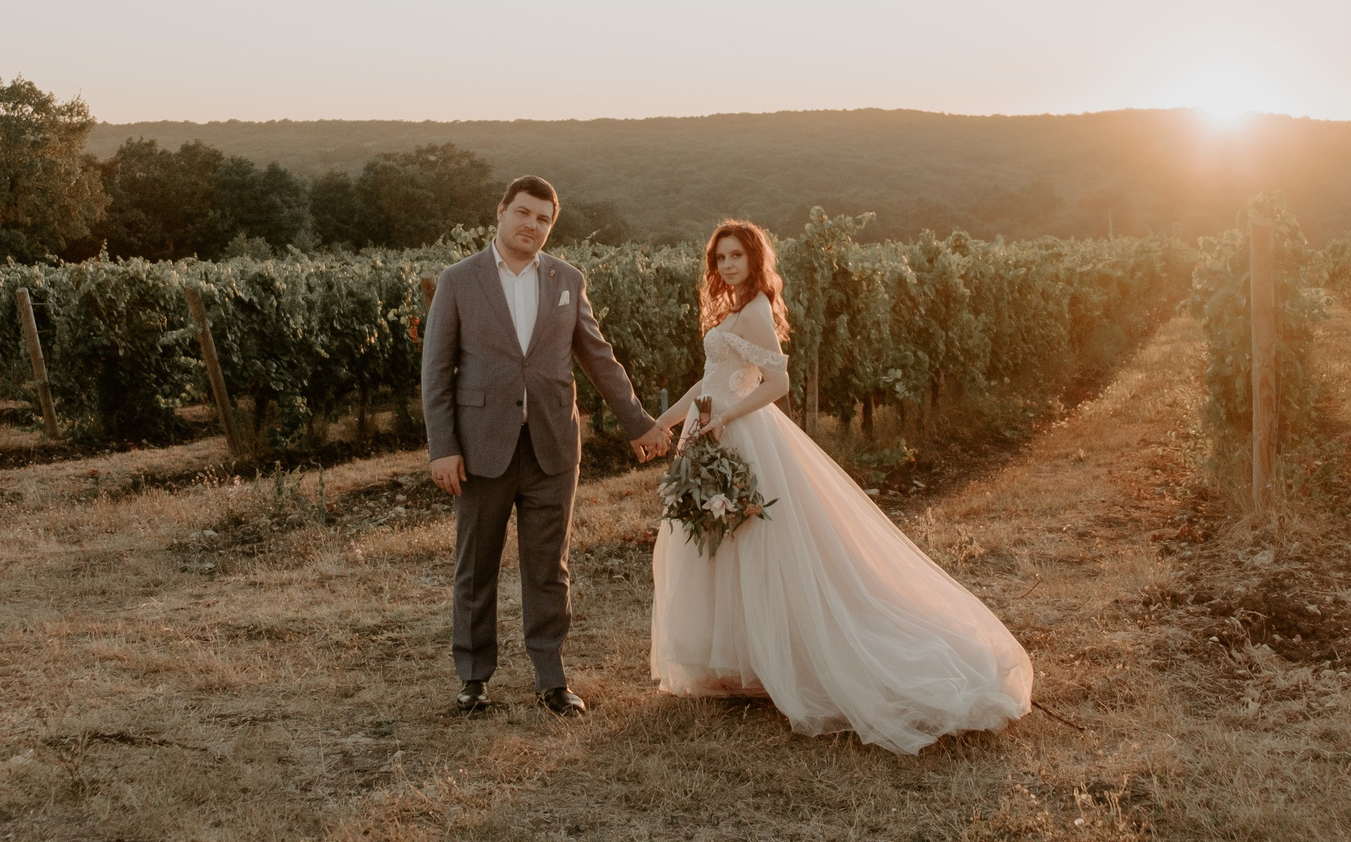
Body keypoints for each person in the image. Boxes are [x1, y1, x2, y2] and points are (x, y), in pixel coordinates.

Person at [647, 220, 1033, 754]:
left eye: (736, 256)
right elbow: (706, 381)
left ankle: (783, 661)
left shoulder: (756, 309)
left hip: (740, 431)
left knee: (757, 543)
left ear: (755, 260)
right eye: (719, 258)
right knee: (722, 542)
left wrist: (726, 416)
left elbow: (777, 383)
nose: (726, 265)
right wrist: (664, 423)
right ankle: (742, 665)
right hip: (712, 427)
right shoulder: (732, 309)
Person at [422, 175, 672, 718]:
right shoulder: (458, 280)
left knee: (548, 567)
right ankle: (473, 677)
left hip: (553, 446)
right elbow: (436, 370)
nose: (532, 225)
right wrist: (442, 446)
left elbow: (599, 358)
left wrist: (639, 424)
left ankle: (551, 678)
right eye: (524, 213)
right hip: (480, 447)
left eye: (543, 219)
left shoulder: (566, 279)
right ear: (501, 212)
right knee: (475, 566)